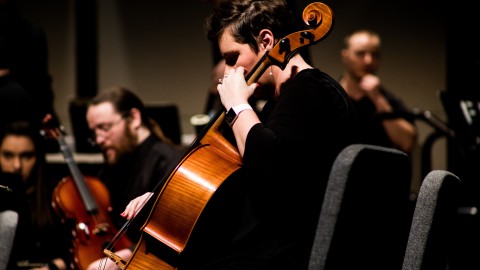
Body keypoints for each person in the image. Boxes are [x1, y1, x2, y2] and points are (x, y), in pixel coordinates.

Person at [122, 0, 358, 269]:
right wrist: (165, 201)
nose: (227, 71)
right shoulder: (277, 106)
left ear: (266, 41)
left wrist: (237, 106)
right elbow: (232, 188)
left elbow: (272, 171)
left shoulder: (310, 90)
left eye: (231, 57)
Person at [85, 86, 185, 270]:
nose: (99, 140)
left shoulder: (170, 161)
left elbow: (177, 233)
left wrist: (128, 253)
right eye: (94, 132)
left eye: (104, 128)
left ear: (134, 118)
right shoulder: (111, 167)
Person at [0, 120, 71, 270]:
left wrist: (52, 267)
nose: (17, 165)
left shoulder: (57, 196)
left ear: (38, 157)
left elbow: (73, 254)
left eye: (26, 156)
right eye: (8, 156)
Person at [339, 29, 417, 155]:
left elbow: (406, 142)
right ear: (345, 56)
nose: (368, 60)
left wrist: (377, 99)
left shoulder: (387, 100)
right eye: (360, 53)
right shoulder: (331, 96)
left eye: (374, 55)